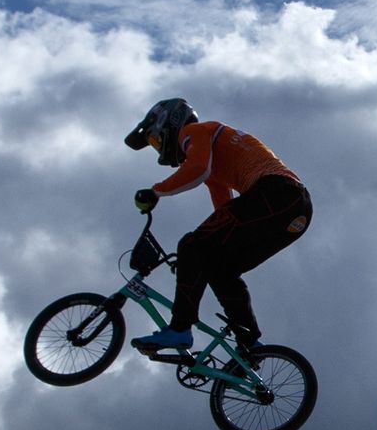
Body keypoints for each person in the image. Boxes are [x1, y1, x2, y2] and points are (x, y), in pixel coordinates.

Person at [123, 98, 311, 352]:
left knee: (191, 244)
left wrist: (156, 191)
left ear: (170, 123)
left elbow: (197, 168)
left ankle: (179, 329)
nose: (159, 150)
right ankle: (250, 345)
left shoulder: (195, 131)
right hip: (294, 211)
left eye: (156, 141)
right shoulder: (214, 164)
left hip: (277, 193)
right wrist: (196, 259)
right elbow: (224, 211)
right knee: (220, 269)